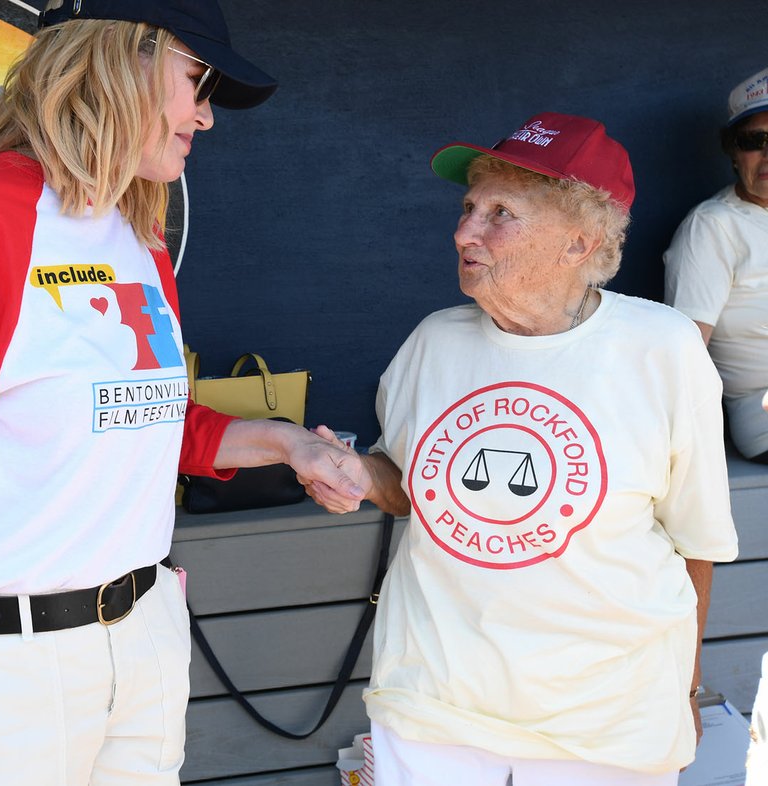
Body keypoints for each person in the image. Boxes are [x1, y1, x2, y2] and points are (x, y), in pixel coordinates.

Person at [0, 2, 366, 784]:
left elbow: (140, 419)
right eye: (197, 80)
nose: (205, 116)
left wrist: (287, 443)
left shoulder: (139, 232)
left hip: (143, 642)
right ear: (122, 59)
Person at [306, 112, 738, 785]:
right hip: (433, 713)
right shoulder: (433, 343)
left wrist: (684, 689)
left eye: (500, 213)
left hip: (605, 727)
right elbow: (404, 482)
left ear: (578, 241)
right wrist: (356, 473)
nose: (463, 232)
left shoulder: (663, 349)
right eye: (469, 207)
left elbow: (695, 540)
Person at [664, 66, 768, 462]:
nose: (767, 154)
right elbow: (684, 350)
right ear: (733, 151)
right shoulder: (713, 227)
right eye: (754, 140)